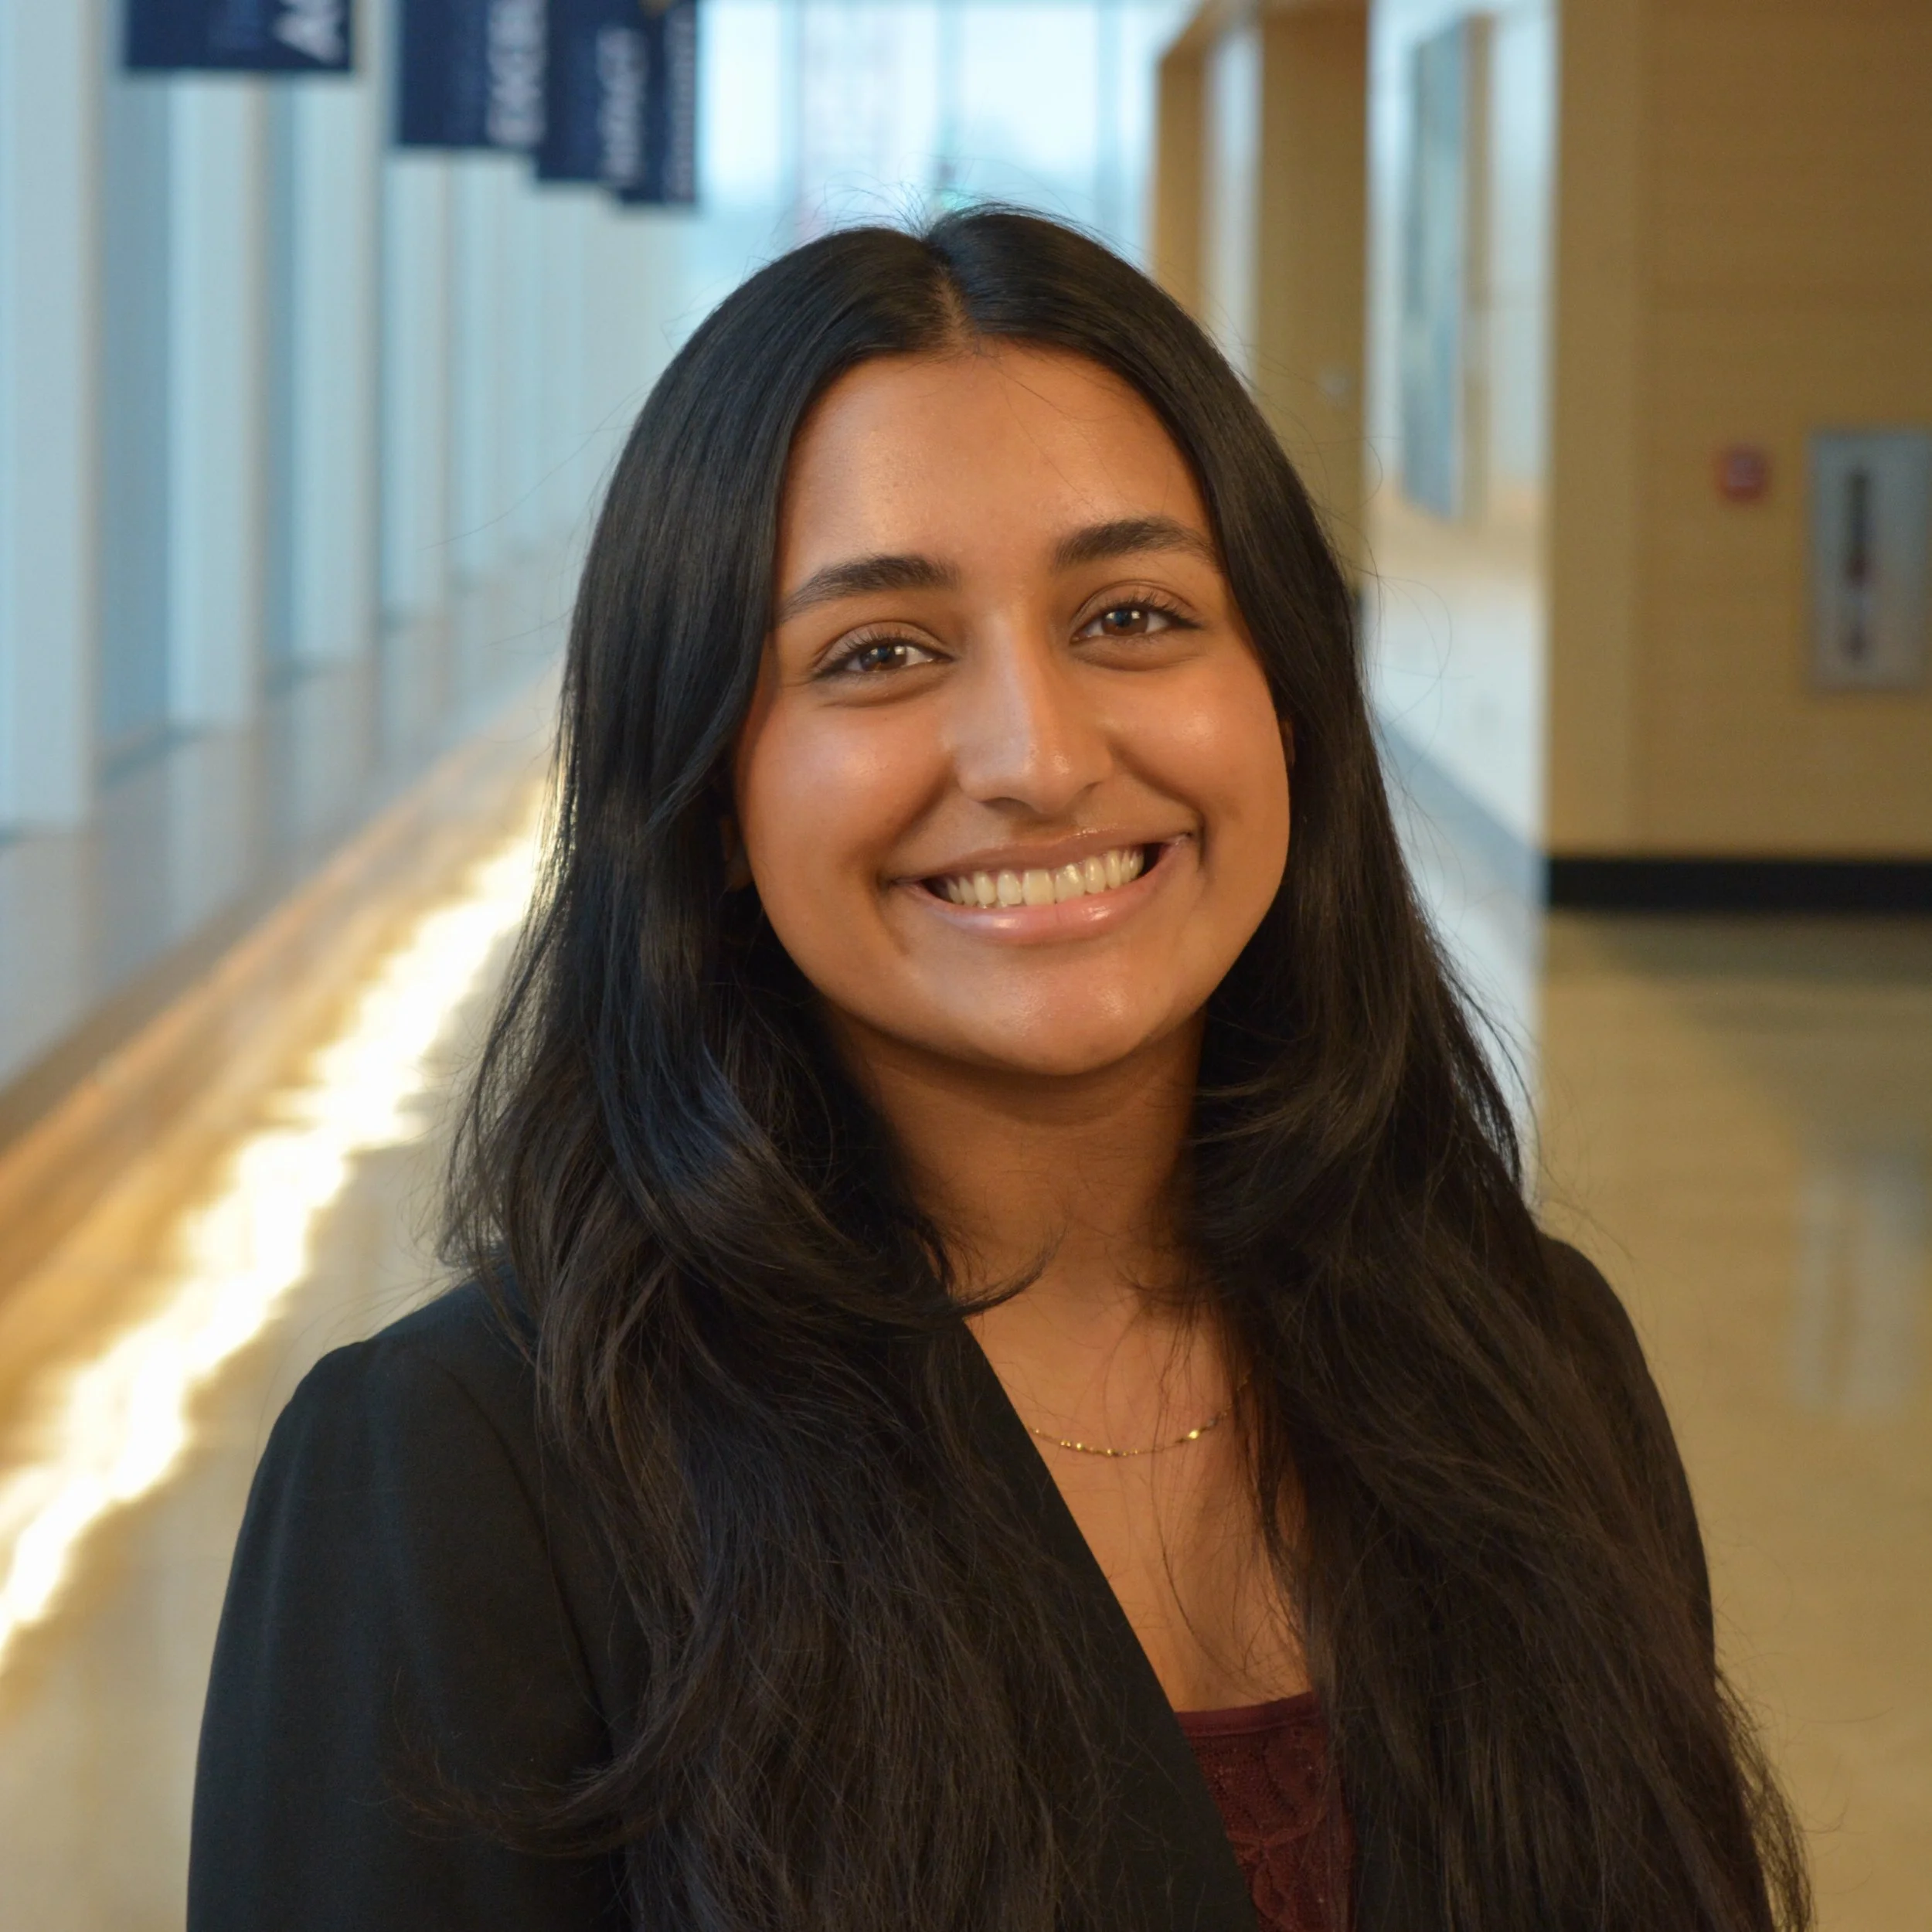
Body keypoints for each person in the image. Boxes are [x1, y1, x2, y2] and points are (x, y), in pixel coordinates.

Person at [188, 210, 1808, 1932]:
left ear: (1286, 702)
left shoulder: (1525, 1356)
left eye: (1129, 613)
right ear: (710, 795)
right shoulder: (469, 1472)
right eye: (878, 651)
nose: (1036, 757)